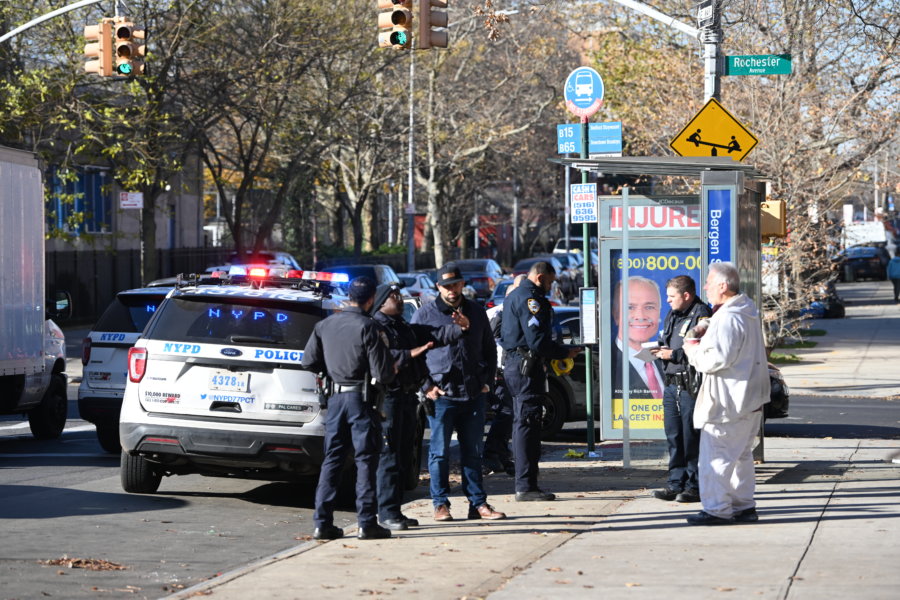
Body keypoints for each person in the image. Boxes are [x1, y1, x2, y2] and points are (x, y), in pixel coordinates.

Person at [301, 276, 396, 541]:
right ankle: (366, 523)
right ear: (370, 300)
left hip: (335, 401)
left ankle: (322, 523)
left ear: (349, 297)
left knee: (332, 460)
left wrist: (329, 373)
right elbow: (383, 373)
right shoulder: (369, 327)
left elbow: (308, 361)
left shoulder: (325, 325)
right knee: (366, 460)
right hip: (361, 400)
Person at [411, 263, 506, 522]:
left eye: (455, 284)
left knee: (473, 452)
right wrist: (426, 385)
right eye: (446, 286)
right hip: (442, 396)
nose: (452, 290)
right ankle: (440, 504)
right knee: (439, 453)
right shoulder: (426, 315)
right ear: (438, 287)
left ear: (462, 284)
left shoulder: (475, 311)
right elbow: (413, 356)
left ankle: (478, 504)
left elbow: (489, 349)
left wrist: (486, 381)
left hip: (473, 393)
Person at [371, 283, 468, 531]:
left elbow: (432, 335)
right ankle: (387, 512)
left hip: (406, 397)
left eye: (400, 295)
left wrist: (458, 329)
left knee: (404, 457)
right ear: (381, 301)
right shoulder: (377, 326)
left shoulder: (402, 326)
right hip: (388, 398)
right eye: (394, 296)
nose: (399, 299)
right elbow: (386, 357)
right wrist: (413, 353)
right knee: (389, 456)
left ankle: (396, 510)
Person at [683, 262, 770, 525]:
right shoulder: (743, 311)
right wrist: (708, 325)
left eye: (709, 282)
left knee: (716, 458)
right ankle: (743, 505)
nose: (706, 287)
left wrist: (691, 347)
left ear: (723, 285)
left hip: (727, 401)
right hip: (747, 399)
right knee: (741, 457)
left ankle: (717, 509)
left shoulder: (730, 318)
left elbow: (716, 359)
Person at [501, 262, 582, 502]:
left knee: (524, 423)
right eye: (549, 281)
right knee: (527, 425)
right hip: (526, 367)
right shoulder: (530, 299)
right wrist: (563, 352)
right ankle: (526, 486)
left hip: (519, 366)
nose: (551, 286)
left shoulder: (516, 294)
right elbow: (536, 341)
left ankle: (527, 483)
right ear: (539, 277)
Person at [649, 275, 712, 504]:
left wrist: (672, 355)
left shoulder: (702, 314)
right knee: (674, 435)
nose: (668, 301)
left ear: (686, 295)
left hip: (689, 384)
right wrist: (659, 351)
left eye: (671, 296)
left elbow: (700, 349)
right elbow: (666, 339)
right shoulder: (673, 314)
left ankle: (693, 485)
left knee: (690, 437)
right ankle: (675, 483)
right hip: (671, 384)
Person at [483, 274, 527, 476]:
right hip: (498, 372)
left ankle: (501, 454)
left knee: (509, 415)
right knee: (505, 413)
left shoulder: (509, 313)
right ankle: (492, 454)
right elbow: (492, 344)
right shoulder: (499, 314)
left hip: (507, 369)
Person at [611, 276, 665, 399]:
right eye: (630, 307)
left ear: (659, 313)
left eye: (649, 307)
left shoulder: (664, 358)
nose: (640, 316)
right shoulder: (609, 363)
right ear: (615, 315)